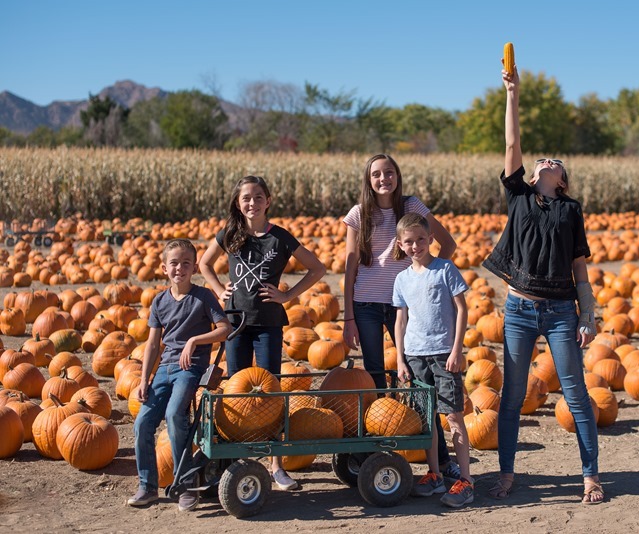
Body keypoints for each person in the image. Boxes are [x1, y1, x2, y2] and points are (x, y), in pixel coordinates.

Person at [482, 61, 603, 504]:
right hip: (517, 310)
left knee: (576, 393)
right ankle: (508, 474)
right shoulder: (518, 196)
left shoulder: (571, 212)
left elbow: (580, 270)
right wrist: (512, 94)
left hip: (558, 313)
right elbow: (512, 141)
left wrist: (588, 316)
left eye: (555, 162)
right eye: (541, 160)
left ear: (563, 180)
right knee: (511, 396)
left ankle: (590, 476)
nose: (545, 158)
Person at [198, 175, 325, 491]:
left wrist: (287, 296)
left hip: (268, 323)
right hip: (236, 323)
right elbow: (204, 264)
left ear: (268, 201)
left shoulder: (280, 238)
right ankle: (237, 461)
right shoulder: (231, 234)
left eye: (257, 197)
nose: (251, 203)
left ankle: (276, 465)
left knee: (270, 392)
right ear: (238, 203)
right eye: (246, 198)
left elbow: (318, 268)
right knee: (236, 392)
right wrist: (218, 289)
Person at [342, 154, 462, 481]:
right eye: (377, 174)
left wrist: (428, 277)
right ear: (369, 179)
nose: (384, 179)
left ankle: (440, 459)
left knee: (417, 382)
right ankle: (375, 457)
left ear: (397, 175)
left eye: (389, 172)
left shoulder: (412, 207)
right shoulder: (358, 214)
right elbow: (351, 265)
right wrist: (347, 316)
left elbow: (447, 243)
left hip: (405, 307)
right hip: (365, 303)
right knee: (375, 381)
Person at [128, 239, 233, 511]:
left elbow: (224, 329)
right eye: (174, 263)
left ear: (194, 267)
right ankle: (147, 486)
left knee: (175, 414)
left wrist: (194, 341)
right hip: (164, 369)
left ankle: (185, 485)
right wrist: (143, 380)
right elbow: (152, 344)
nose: (180, 268)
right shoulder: (160, 301)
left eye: (186, 263)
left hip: (191, 369)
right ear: (165, 268)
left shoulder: (204, 297)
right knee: (142, 423)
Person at [392, 213, 473, 508]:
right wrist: (400, 359)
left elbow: (462, 310)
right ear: (401, 245)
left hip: (443, 354)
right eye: (409, 242)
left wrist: (456, 350)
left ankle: (465, 480)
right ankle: (435, 475)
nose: (416, 246)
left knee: (453, 416)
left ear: (430, 240)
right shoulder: (401, 279)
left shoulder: (445, 269)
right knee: (428, 422)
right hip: (415, 356)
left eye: (421, 240)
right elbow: (400, 321)